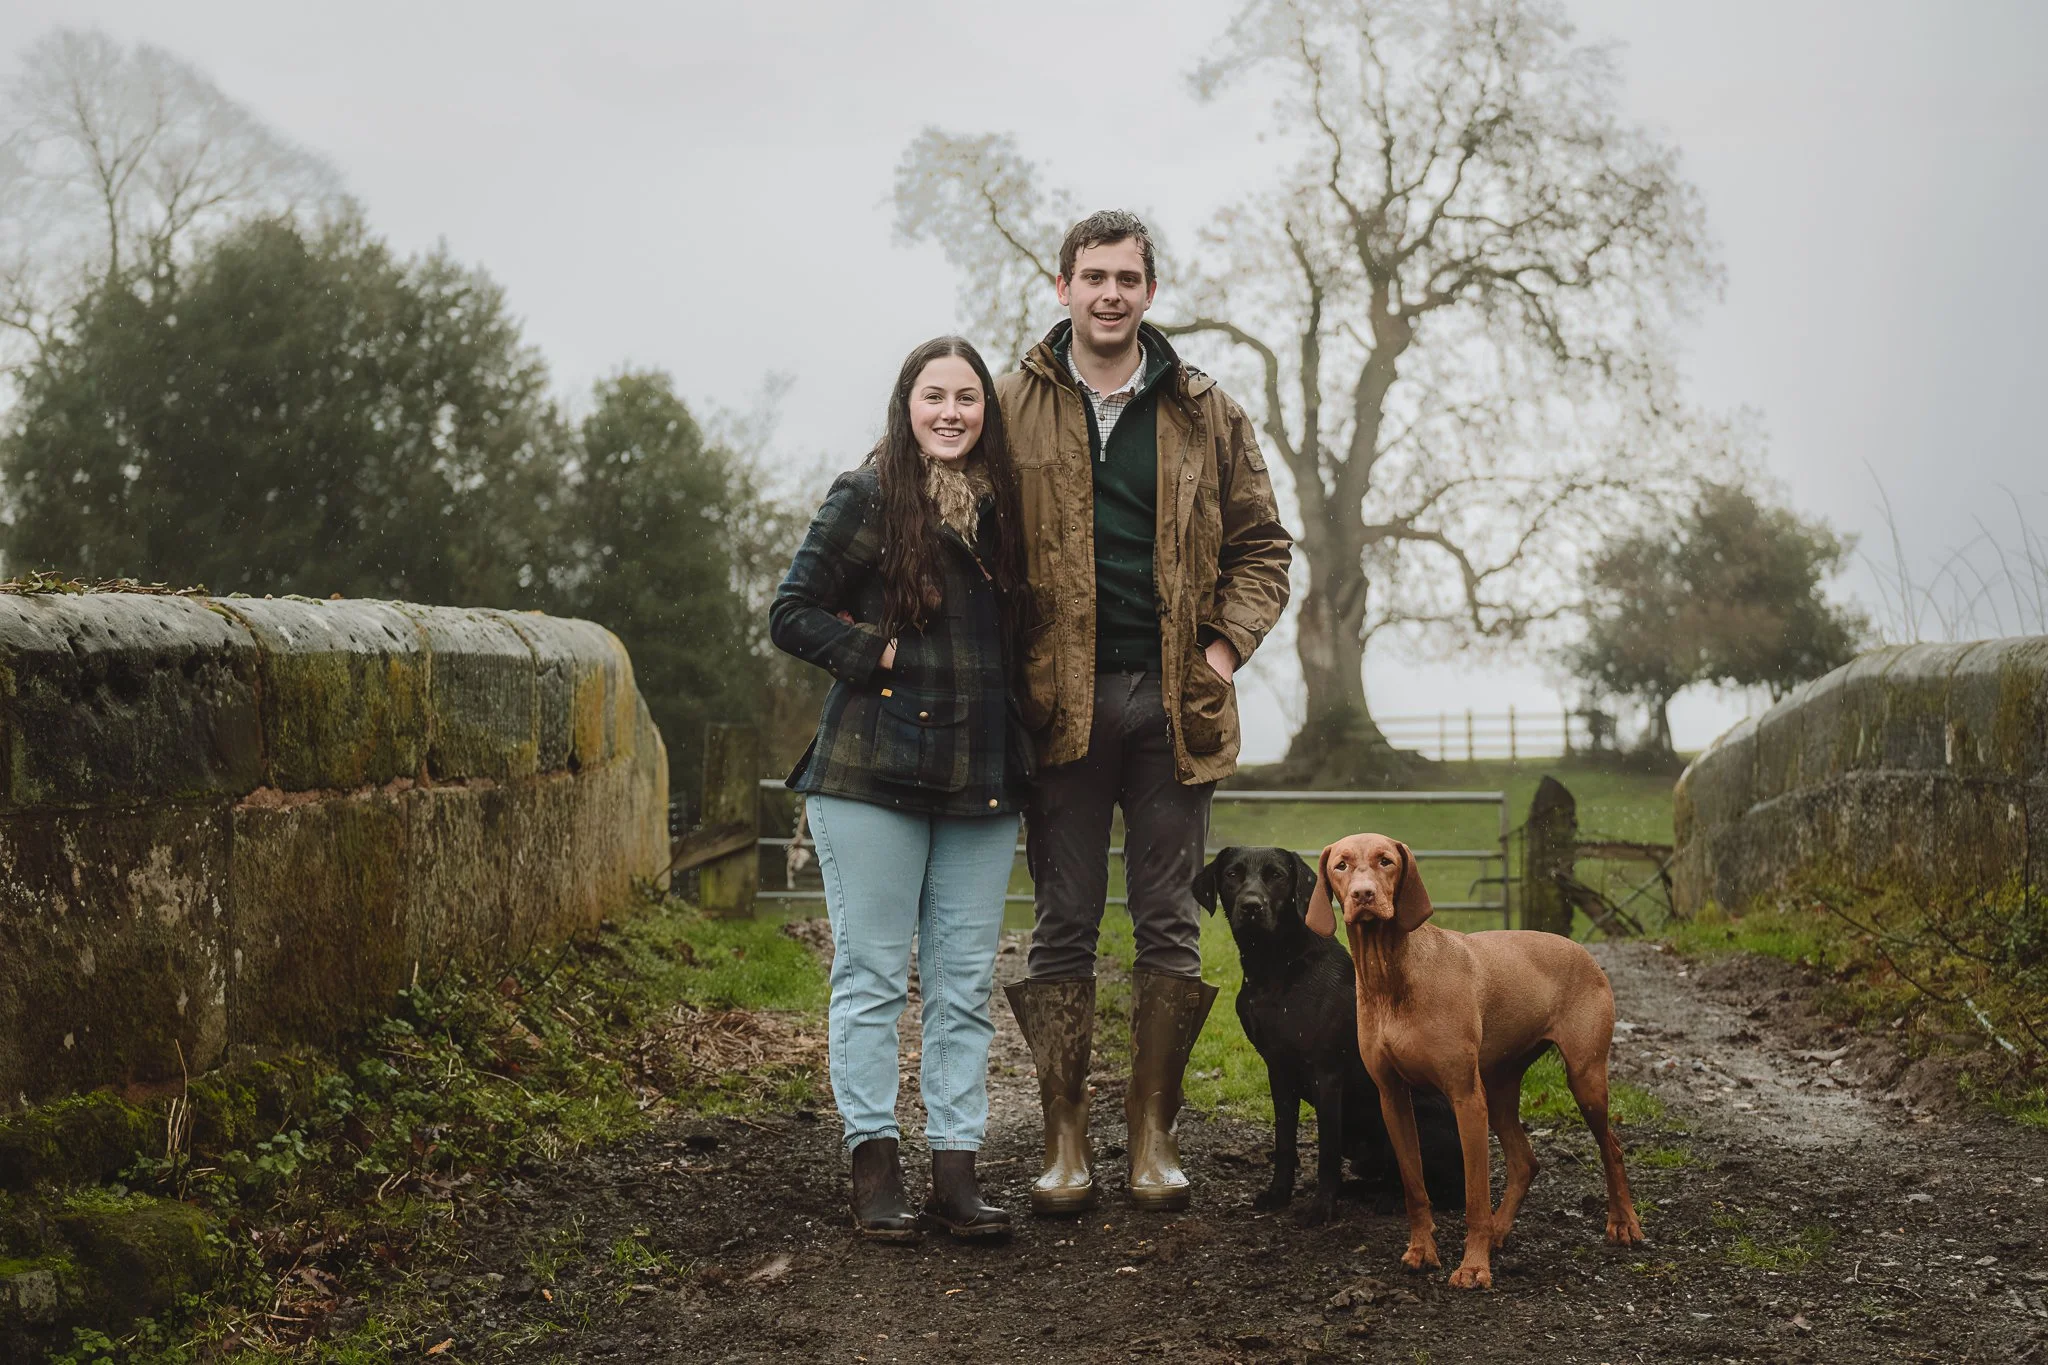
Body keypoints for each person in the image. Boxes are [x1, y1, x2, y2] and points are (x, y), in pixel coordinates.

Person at [996, 210, 1294, 1213]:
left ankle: (1153, 1140)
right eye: (1092, 277)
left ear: (1149, 294)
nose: (1109, 294)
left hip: (1174, 710)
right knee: (1062, 924)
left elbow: (1263, 545)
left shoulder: (1205, 410)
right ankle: (1063, 1143)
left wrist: (1219, 650)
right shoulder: (1007, 405)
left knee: (1167, 921)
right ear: (1061, 288)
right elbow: (957, 519)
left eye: (1127, 278)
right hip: (1057, 711)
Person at [769, 336, 1031, 1241]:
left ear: (986, 412)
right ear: (906, 404)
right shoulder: (869, 493)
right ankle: (874, 1170)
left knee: (964, 984)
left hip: (983, 776)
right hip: (869, 775)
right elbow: (791, 611)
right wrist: (873, 649)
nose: (951, 412)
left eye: (968, 397)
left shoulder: (1006, 511)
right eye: (934, 396)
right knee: (874, 975)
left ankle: (956, 1174)